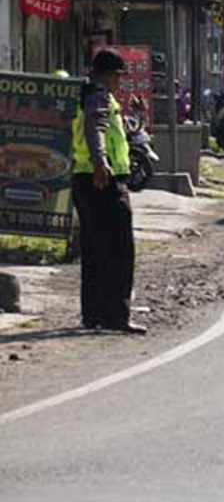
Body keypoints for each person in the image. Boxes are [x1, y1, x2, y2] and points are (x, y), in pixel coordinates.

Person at [71, 49, 146, 334]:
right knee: (119, 251)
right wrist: (101, 164)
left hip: (83, 180)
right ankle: (116, 316)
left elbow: (117, 131)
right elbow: (96, 128)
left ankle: (93, 315)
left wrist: (137, 116)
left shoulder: (87, 94)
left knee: (94, 250)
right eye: (119, 76)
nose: (120, 82)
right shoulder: (99, 96)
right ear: (109, 75)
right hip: (103, 181)